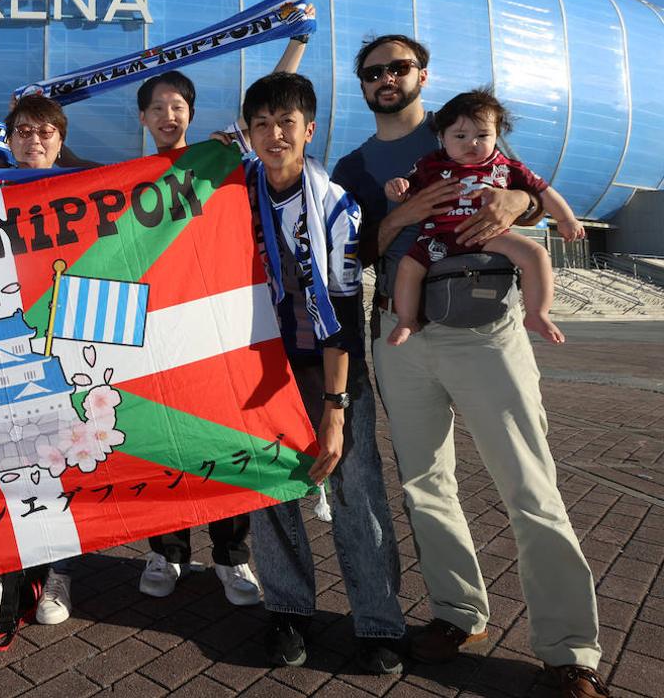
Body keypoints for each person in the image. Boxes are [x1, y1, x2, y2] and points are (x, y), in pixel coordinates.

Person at [332, 34, 607, 698]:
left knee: (529, 486)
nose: (386, 79)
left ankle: (569, 650)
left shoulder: (464, 127)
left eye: (398, 68)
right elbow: (353, 252)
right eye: (373, 72)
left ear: (422, 73)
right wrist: (400, 217)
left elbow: (528, 193)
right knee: (426, 485)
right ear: (362, 84)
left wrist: (523, 205)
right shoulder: (354, 165)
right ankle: (458, 614)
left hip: (486, 328)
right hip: (405, 335)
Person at [216, 73, 406, 673]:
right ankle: (290, 611)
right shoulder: (229, 194)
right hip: (256, 373)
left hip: (327, 370)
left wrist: (335, 408)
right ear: (248, 132)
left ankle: (378, 623)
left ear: (310, 128)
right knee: (272, 493)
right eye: (262, 125)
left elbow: (343, 316)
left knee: (356, 494)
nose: (275, 135)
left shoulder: (335, 206)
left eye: (286, 123)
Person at [135, 32, 310, 606]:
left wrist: (298, 41)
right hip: (157, 331)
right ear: (143, 117)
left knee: (225, 435)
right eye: (157, 107)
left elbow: (266, 105)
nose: (168, 115)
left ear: (190, 113)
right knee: (165, 443)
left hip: (219, 322)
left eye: (177, 106)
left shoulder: (219, 155)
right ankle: (167, 552)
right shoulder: (125, 178)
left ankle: (233, 558)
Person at [0, 94, 76, 628]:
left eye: (46, 132)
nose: (35, 140)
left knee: (56, 454)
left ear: (61, 138)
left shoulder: (85, 188)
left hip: (60, 337)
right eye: (24, 132)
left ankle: (57, 570)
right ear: (9, 140)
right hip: (1, 338)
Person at [384, 88, 585, 347]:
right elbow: (406, 190)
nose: (473, 143)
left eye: (483, 135)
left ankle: (537, 314)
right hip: (438, 238)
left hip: (490, 236)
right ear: (442, 136)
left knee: (536, 254)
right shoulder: (430, 165)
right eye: (460, 135)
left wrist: (566, 219)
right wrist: (397, 188)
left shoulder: (507, 167)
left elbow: (543, 191)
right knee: (408, 267)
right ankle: (407, 320)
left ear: (497, 135)